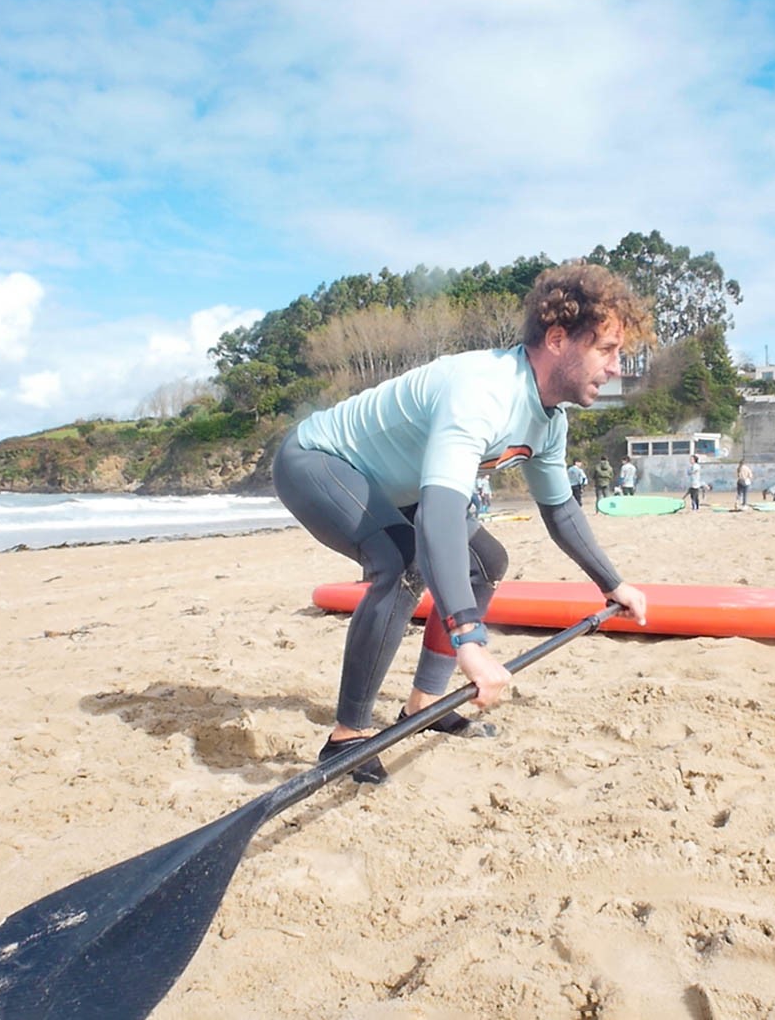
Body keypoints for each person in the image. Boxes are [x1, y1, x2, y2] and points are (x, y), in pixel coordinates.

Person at [273, 264, 651, 784]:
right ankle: (346, 738)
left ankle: (423, 704)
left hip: (393, 484)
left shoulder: (549, 421)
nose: (616, 367)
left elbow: (561, 511)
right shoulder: (484, 389)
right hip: (319, 460)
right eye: (606, 350)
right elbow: (441, 514)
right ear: (558, 338)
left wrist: (613, 583)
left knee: (486, 563)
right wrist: (469, 640)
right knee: (400, 562)